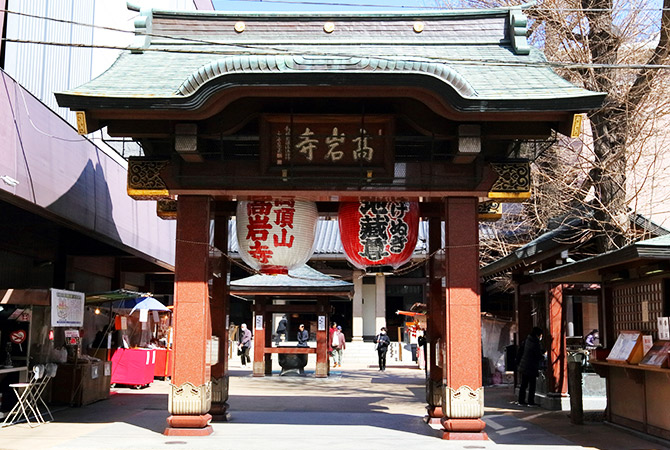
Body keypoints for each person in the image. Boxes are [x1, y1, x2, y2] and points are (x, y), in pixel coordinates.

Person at [517, 327, 545, 406]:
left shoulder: (528, 340)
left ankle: (521, 401)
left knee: (524, 384)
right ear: (538, 334)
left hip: (524, 364)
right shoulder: (535, 342)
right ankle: (530, 401)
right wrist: (543, 356)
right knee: (532, 385)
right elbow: (538, 355)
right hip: (531, 366)